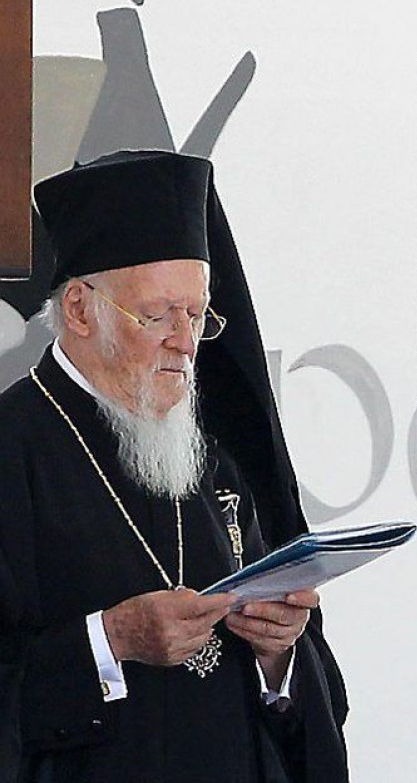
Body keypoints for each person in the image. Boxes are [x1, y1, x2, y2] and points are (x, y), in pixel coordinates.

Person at [0, 150, 349, 782]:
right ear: (79, 309)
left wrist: (278, 653)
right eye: (159, 314)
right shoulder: (12, 446)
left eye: (197, 314)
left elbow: (294, 705)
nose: (185, 341)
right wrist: (111, 640)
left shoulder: (210, 455)